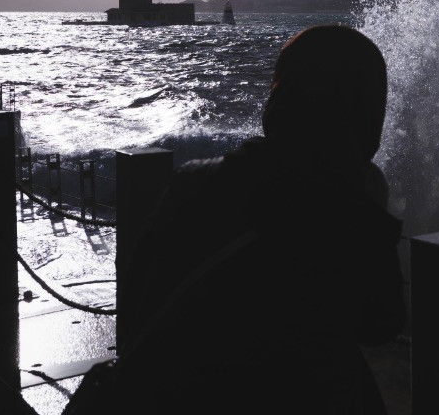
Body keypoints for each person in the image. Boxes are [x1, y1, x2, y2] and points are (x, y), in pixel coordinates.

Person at [69, 24, 405, 414]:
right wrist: (370, 211)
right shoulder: (338, 208)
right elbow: (381, 322)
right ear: (363, 111)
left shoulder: (192, 179)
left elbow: (134, 305)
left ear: (281, 94)